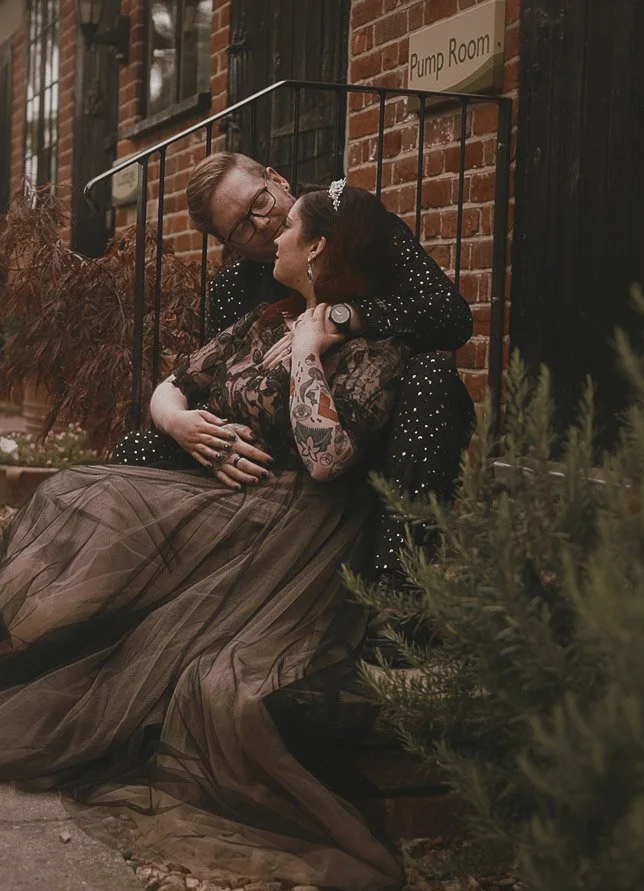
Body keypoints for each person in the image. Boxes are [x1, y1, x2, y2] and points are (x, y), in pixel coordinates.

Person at [0, 183, 418, 891]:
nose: (273, 238)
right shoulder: (262, 320)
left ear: (315, 249)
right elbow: (174, 382)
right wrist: (179, 422)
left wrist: (309, 354)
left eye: (289, 231)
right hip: (221, 500)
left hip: (288, 527)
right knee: (81, 497)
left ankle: (69, 667)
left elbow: (326, 459)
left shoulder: (372, 346)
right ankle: (35, 652)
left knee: (201, 659)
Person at [115, 152, 475, 592]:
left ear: (277, 177)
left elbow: (449, 317)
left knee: (434, 377)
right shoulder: (237, 292)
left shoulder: (361, 232)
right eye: (242, 227)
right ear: (229, 243)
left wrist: (337, 319)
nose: (263, 225)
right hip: (263, 456)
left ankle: (394, 578)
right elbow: (200, 382)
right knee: (138, 452)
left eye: (261, 203)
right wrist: (200, 435)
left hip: (366, 438)